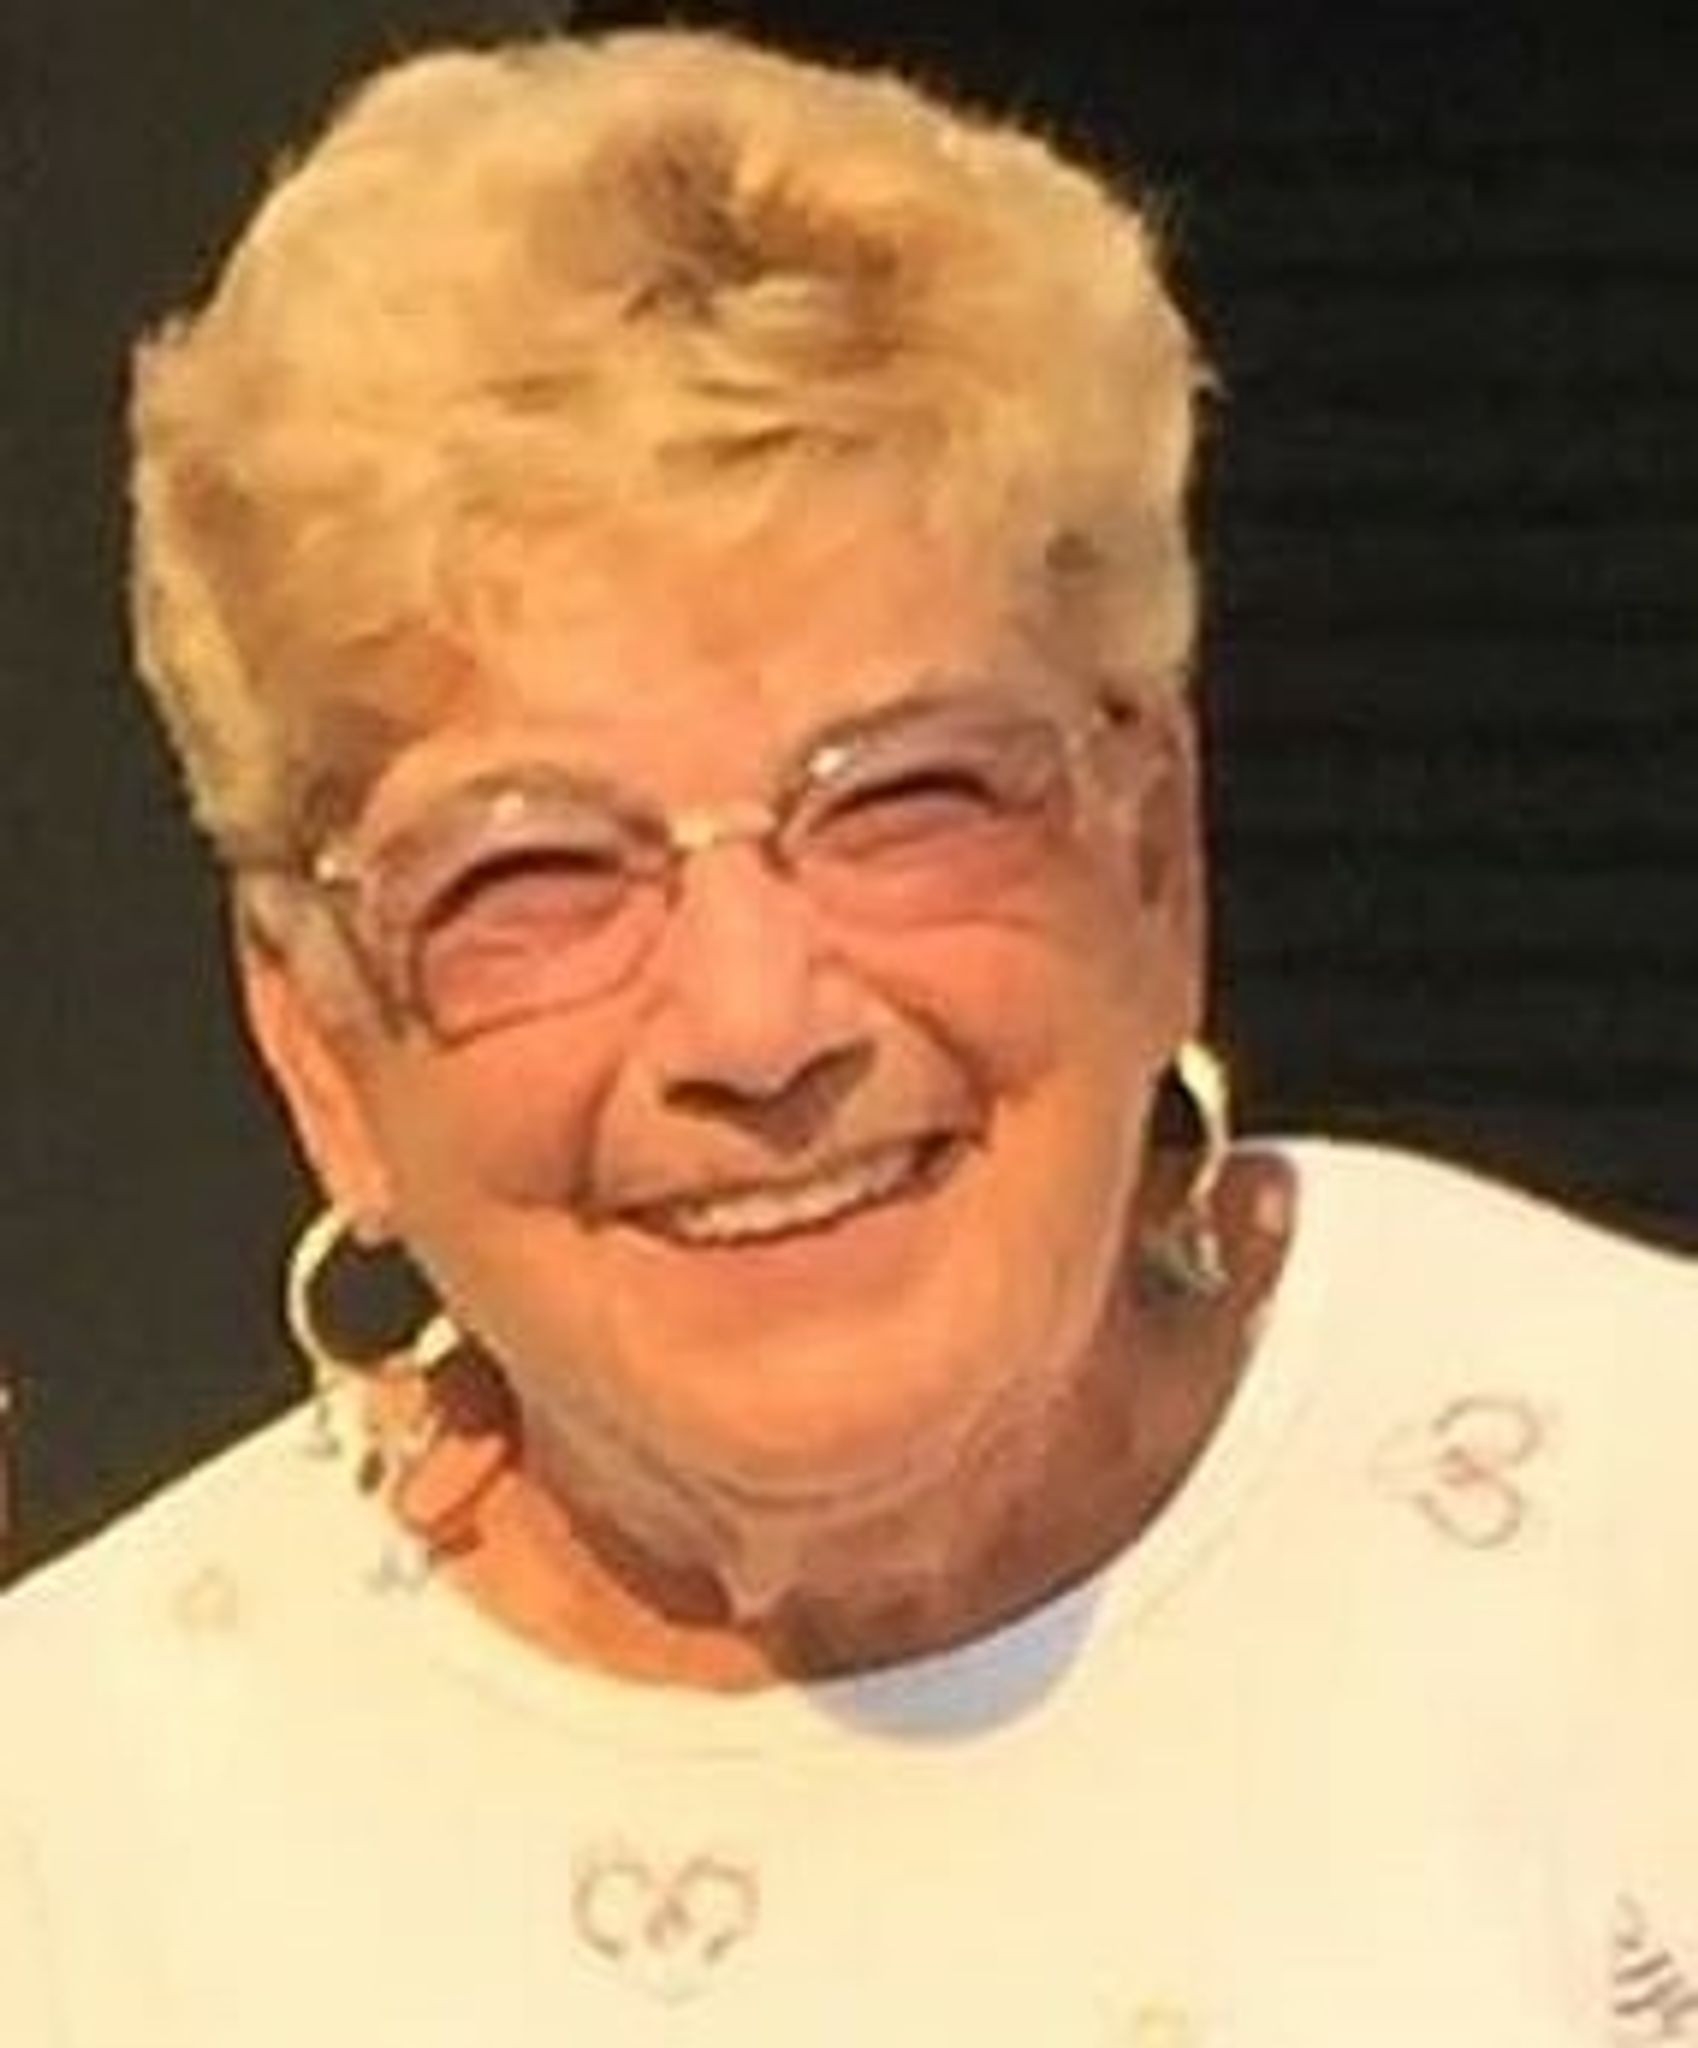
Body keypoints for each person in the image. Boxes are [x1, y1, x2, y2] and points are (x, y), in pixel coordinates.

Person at [2, 27, 1694, 2045]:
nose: (755, 1022)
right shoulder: (78, 1848)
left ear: (1154, 857)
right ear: (320, 1048)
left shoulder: (1634, 1517)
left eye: (903, 798)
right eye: (532, 871)